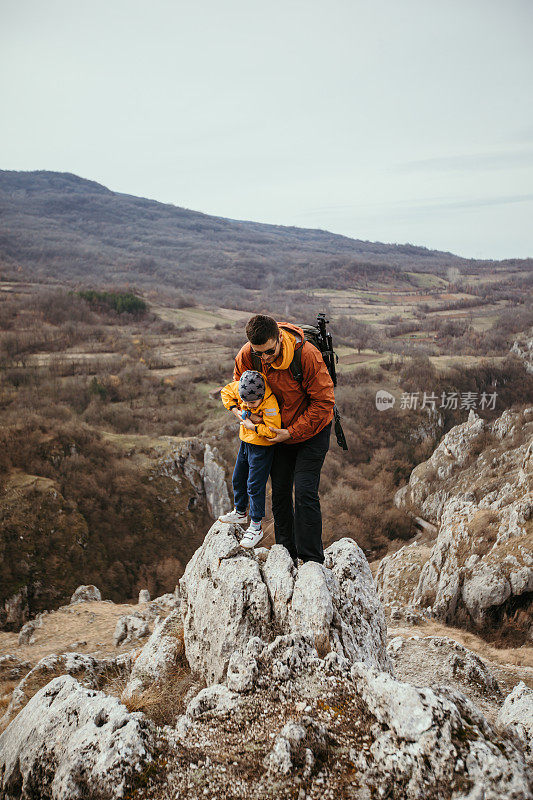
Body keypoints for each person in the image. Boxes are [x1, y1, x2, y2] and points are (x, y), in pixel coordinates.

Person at [233, 314, 335, 565]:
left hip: (312, 430)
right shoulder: (248, 355)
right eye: (260, 354)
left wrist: (291, 432)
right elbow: (239, 387)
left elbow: (324, 402)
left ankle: (312, 562)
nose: (265, 358)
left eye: (269, 351)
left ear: (279, 337)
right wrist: (246, 413)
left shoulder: (307, 355)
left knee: (304, 491)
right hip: (277, 432)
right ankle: (285, 558)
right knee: (279, 492)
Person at [218, 369, 281, 548]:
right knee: (238, 478)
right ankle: (240, 511)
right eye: (245, 401)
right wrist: (237, 410)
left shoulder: (270, 405)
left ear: (261, 395)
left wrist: (253, 427)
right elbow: (225, 392)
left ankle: (255, 526)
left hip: (262, 448)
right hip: (245, 443)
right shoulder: (243, 389)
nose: (249, 405)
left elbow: (273, 431)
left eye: (252, 402)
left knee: (254, 485)